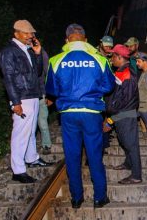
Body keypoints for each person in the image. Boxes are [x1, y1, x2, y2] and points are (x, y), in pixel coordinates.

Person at [45, 24, 115, 209]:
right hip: (92, 113)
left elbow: (51, 89)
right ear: (85, 39)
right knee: (94, 155)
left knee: (72, 155)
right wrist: (93, 91)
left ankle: (77, 198)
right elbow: (109, 86)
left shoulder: (55, 60)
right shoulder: (99, 60)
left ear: (67, 39)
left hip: (68, 114)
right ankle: (100, 198)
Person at [0, 20, 53, 184]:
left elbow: (36, 73)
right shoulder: (9, 52)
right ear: (17, 33)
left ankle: (32, 158)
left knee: (30, 131)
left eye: (32, 33)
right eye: (27, 33)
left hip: (32, 94)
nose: (31, 36)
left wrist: (37, 54)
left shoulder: (27, 50)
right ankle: (18, 170)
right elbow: (8, 79)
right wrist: (15, 102)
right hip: (22, 97)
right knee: (20, 133)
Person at [105, 44, 142, 184]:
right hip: (123, 114)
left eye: (113, 56)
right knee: (124, 141)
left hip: (125, 114)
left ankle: (136, 175)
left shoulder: (126, 74)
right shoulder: (122, 71)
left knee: (131, 144)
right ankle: (128, 163)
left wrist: (111, 118)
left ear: (120, 57)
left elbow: (124, 101)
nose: (112, 58)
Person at [37, 45, 52, 155]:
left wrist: (50, 95)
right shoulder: (18, 53)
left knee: (42, 121)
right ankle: (29, 152)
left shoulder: (42, 53)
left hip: (41, 92)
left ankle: (46, 145)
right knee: (29, 125)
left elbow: (48, 74)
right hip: (26, 96)